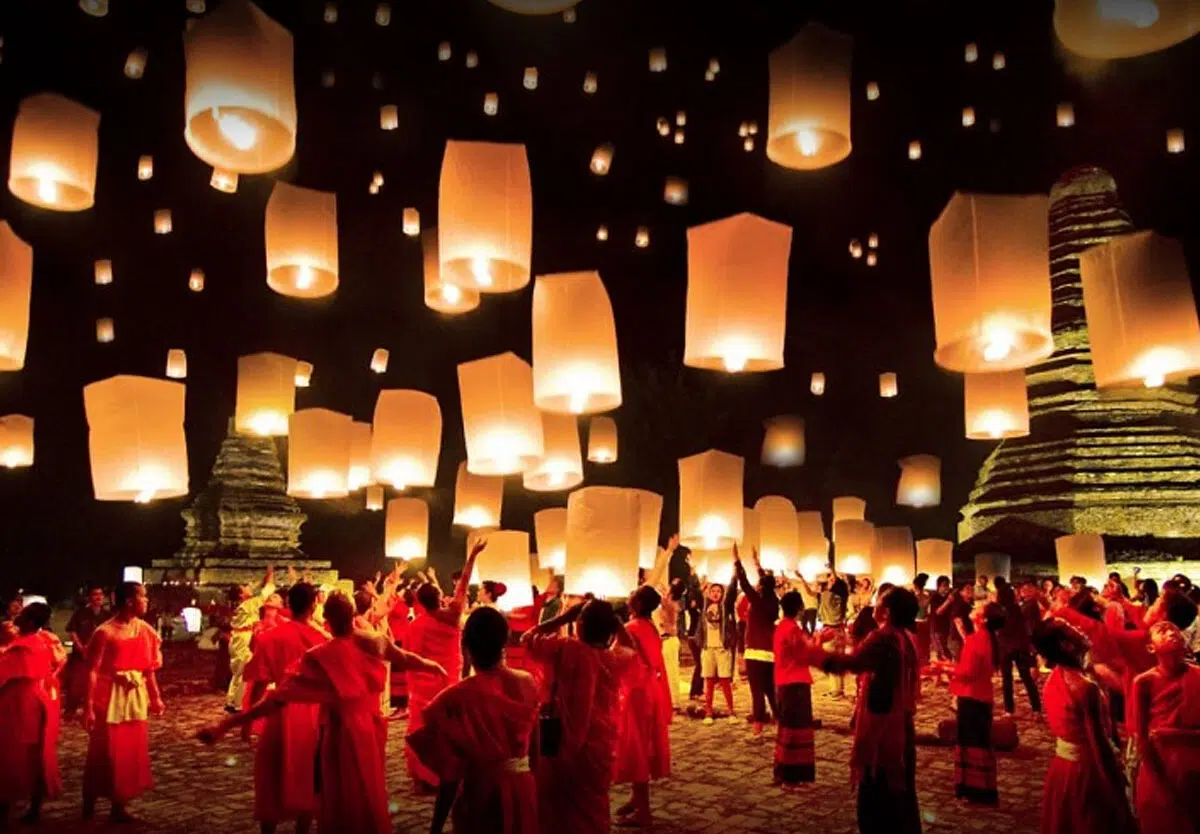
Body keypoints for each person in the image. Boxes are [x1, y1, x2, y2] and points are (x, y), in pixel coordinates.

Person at [199, 591, 446, 834]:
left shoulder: (322, 654)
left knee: (340, 795)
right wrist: (435, 667)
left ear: (326, 618)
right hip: (367, 730)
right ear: (351, 616)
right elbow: (405, 658)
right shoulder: (369, 642)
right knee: (368, 791)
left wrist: (227, 724)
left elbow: (277, 699)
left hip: (341, 733)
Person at [408, 607, 540, 834]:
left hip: (481, 792)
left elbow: (450, 774)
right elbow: (536, 750)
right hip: (522, 787)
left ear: (466, 647)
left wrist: (436, 826)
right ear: (505, 642)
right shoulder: (528, 683)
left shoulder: (452, 698)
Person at [806, 588, 922, 834]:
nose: (873, 605)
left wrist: (814, 653)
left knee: (877, 801)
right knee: (901, 798)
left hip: (883, 730)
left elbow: (850, 664)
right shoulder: (907, 636)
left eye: (877, 602)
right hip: (901, 724)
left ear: (887, 611)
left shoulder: (883, 638)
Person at [523, 599, 637, 834]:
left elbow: (527, 638)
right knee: (592, 807)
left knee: (556, 808)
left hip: (560, 741)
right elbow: (630, 646)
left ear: (580, 624)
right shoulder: (612, 660)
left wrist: (563, 617)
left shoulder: (565, 649)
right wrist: (617, 624)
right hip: (598, 745)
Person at [239, 582, 329, 834]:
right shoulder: (322, 639)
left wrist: (246, 721)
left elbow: (258, 684)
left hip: (279, 713)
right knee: (308, 776)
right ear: (314, 605)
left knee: (272, 775)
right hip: (312, 717)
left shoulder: (271, 637)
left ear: (288, 605)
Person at [1034, 618, 1134, 834]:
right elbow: (1099, 743)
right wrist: (1115, 780)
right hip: (1087, 770)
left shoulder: (1056, 678)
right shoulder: (1083, 688)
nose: (1080, 630)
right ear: (1065, 645)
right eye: (1072, 629)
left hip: (1063, 766)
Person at [405, 537, 486, 791]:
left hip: (426, 684)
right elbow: (463, 583)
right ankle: (447, 773)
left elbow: (411, 656)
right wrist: (472, 555)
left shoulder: (416, 625)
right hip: (449, 680)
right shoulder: (454, 614)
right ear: (439, 597)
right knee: (449, 726)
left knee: (422, 726)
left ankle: (424, 777)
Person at [82, 581, 165, 823]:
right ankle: (89, 800)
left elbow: (149, 669)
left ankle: (119, 805)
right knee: (103, 751)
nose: (147, 601)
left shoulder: (145, 630)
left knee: (129, 751)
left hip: (133, 696)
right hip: (109, 697)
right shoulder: (105, 632)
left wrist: (155, 696)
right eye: (143, 596)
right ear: (130, 601)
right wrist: (88, 705)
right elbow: (92, 670)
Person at [1131, 621, 1200, 834]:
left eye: (1175, 629)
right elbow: (1142, 737)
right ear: (1151, 648)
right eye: (1162, 631)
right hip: (1161, 767)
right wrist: (1159, 786)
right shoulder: (1144, 682)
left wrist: (1176, 734)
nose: (1171, 632)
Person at [0, 602, 65, 827]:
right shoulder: (43, 641)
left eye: (23, 614)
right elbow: (58, 662)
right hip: (41, 698)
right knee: (37, 752)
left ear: (29, 621)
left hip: (19, 703)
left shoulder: (21, 648)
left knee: (12, 753)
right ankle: (34, 806)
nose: (17, 616)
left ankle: (6, 806)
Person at [613, 584, 672, 828]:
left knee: (636, 750)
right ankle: (637, 799)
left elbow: (617, 659)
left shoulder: (632, 628)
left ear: (636, 604)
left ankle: (643, 812)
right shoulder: (649, 626)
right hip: (650, 691)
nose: (628, 596)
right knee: (643, 747)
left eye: (632, 594)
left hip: (636, 693)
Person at [951, 601, 1004, 805]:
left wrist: (946, 670)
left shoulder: (977, 639)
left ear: (983, 619)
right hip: (981, 695)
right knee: (979, 744)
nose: (973, 608)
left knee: (972, 745)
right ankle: (981, 789)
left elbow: (968, 673)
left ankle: (974, 791)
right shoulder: (987, 638)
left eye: (978, 609)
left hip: (972, 697)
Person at [734, 545, 779, 739]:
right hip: (769, 653)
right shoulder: (773, 601)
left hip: (754, 651)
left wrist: (737, 560)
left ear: (760, 586)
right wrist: (757, 563)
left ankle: (758, 729)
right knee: (770, 689)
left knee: (757, 692)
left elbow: (743, 582)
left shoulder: (757, 600)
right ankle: (780, 723)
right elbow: (764, 582)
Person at [773, 590, 815, 786]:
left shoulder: (781, 627)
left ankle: (784, 770)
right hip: (795, 682)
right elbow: (804, 654)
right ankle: (792, 773)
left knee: (787, 728)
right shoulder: (792, 629)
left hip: (784, 680)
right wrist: (820, 641)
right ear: (799, 608)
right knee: (796, 729)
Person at [227, 565, 275, 713]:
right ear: (242, 595)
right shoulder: (248, 604)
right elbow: (266, 592)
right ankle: (238, 703)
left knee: (237, 670)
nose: (249, 587)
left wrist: (264, 578)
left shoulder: (243, 604)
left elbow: (260, 590)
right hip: (244, 637)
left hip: (237, 637)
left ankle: (232, 700)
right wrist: (271, 573)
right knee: (244, 670)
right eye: (245, 587)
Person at [996, 579, 1041, 716]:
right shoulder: (1018, 608)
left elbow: (999, 629)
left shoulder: (1002, 610)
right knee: (1026, 678)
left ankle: (1009, 709)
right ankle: (1036, 708)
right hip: (1020, 647)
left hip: (1005, 648)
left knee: (1007, 679)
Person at [697, 572, 738, 723]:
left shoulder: (725, 607)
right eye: (713, 591)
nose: (715, 594)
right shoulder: (704, 607)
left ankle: (731, 711)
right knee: (708, 681)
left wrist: (734, 575)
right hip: (708, 648)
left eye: (718, 591)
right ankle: (708, 712)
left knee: (725, 680)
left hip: (722, 648)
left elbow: (732, 592)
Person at [63, 585, 109, 718]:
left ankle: (96, 709)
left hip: (100, 655)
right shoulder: (80, 613)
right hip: (80, 655)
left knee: (98, 682)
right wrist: (80, 647)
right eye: (95, 594)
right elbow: (72, 631)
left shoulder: (107, 615)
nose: (98, 597)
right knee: (76, 684)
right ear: (89, 597)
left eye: (101, 594)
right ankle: (70, 710)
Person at [927, 575, 952, 666]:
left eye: (948, 585)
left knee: (945, 652)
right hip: (937, 628)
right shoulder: (935, 597)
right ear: (938, 586)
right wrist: (948, 601)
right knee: (943, 653)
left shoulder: (948, 597)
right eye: (944, 585)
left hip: (947, 628)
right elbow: (938, 611)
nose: (947, 588)